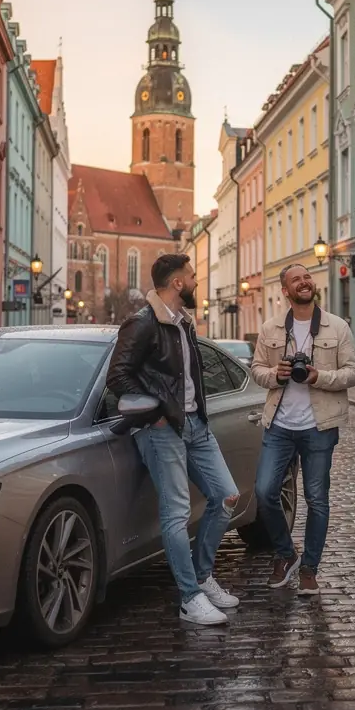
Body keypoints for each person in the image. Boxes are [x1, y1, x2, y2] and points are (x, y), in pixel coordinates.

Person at [106, 253, 241, 626]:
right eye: (192, 276)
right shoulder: (142, 323)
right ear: (178, 282)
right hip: (161, 429)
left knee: (226, 496)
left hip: (195, 424)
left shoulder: (183, 321)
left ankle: (202, 576)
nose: (197, 281)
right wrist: (156, 414)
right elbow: (117, 377)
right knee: (177, 511)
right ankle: (189, 597)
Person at [250, 264, 355, 596]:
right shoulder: (271, 328)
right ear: (285, 291)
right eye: (296, 279)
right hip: (279, 425)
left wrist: (318, 377)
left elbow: (354, 372)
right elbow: (256, 370)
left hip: (319, 427)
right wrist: (276, 374)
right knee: (264, 492)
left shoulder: (337, 327)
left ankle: (310, 569)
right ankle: (287, 554)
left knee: (317, 500)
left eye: (307, 277)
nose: (304, 282)